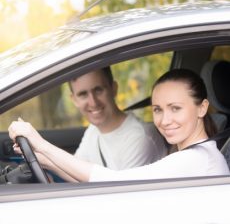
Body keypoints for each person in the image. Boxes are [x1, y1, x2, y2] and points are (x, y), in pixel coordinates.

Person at [9, 68, 230, 182]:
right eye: (157, 109)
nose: (164, 120)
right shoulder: (197, 155)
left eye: (175, 108)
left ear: (202, 108)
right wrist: (43, 160)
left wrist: (40, 143)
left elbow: (114, 182)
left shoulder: (196, 160)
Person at [68, 67, 167, 171]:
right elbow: (73, 170)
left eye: (98, 90)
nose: (93, 102)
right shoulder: (93, 130)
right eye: (83, 95)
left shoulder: (139, 137)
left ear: (114, 89)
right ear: (74, 100)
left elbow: (124, 187)